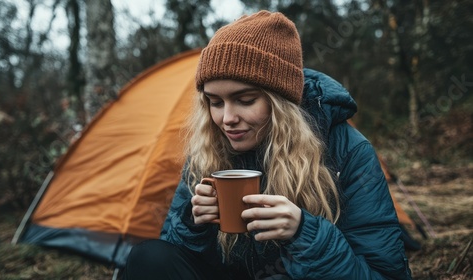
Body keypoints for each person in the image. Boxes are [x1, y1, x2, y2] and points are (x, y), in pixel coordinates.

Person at [124, 10, 412, 279]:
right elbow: (178, 259)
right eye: (215, 103)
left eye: (245, 100)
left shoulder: (347, 151)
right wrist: (193, 224)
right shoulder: (210, 148)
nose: (227, 119)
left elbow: (384, 273)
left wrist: (304, 232)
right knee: (148, 258)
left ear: (280, 101)